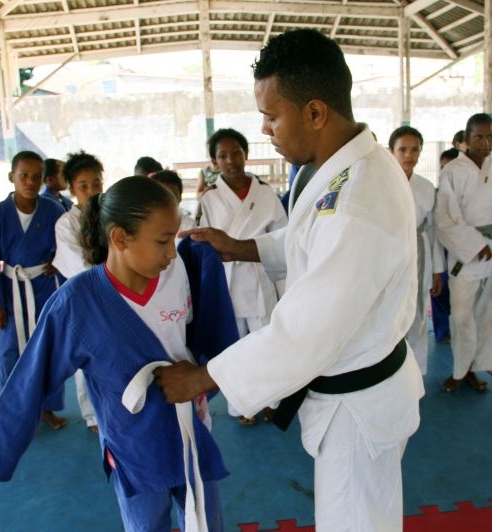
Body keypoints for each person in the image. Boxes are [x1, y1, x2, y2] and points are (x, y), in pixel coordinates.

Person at [154, 29, 424, 531]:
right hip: (356, 396)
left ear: (316, 113)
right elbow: (312, 246)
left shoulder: (357, 200)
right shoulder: (335, 170)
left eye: (272, 116)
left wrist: (203, 376)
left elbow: (304, 332)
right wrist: (242, 247)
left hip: (357, 411)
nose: (265, 130)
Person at [0, 177, 230, 532]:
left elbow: (210, 334)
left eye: (173, 240)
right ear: (120, 238)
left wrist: (206, 380)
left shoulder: (180, 269)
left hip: (191, 427)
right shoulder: (77, 303)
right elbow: (31, 378)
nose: (170, 253)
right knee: (147, 525)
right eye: (163, 241)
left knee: (207, 522)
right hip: (133, 443)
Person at [198, 128, 288, 424]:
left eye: (236, 152)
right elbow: (204, 247)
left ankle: (272, 400)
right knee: (235, 347)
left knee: (268, 343)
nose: (231, 160)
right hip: (228, 282)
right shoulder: (210, 200)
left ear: (246, 154)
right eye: (222, 155)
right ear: (214, 162)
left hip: (261, 276)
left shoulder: (265, 194)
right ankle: (242, 406)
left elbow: (282, 236)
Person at [0, 151, 67, 430]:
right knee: (9, 351)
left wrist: (57, 260)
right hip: (11, 288)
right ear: (11, 177)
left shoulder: (53, 209)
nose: (30, 182)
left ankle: (47, 408)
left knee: (46, 347)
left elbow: (67, 243)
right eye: (24, 176)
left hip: (43, 285)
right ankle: (12, 410)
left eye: (36, 177)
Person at [434, 113, 492, 393]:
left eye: (490, 137)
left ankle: (475, 369)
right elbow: (445, 219)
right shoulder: (452, 172)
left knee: (488, 314)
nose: (485, 142)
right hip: (466, 256)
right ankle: (459, 370)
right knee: (461, 316)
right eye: (479, 136)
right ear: (466, 139)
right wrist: (473, 245)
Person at [51, 150, 104, 432]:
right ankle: (92, 414)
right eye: (83, 186)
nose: (91, 190)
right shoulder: (66, 224)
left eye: (96, 183)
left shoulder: (111, 215)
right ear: (72, 189)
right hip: (85, 298)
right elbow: (80, 266)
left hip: (116, 293)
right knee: (88, 356)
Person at [388, 126, 443, 374]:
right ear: (392, 152)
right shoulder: (381, 184)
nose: (409, 155)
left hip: (420, 253)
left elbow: (433, 232)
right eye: (403, 149)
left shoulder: (426, 187)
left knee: (419, 313)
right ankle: (391, 370)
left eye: (415, 150)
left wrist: (437, 270)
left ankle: (417, 371)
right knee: (390, 313)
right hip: (389, 254)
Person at [430, 148, 459, 344]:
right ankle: (442, 330)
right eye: (442, 168)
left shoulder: (468, 196)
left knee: (459, 295)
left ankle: (457, 328)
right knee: (439, 290)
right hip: (439, 247)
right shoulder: (435, 194)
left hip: (460, 249)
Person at [151, 170, 196, 237]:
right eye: (160, 197)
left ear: (180, 197)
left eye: (172, 196)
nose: (166, 202)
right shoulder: (145, 226)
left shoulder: (189, 226)